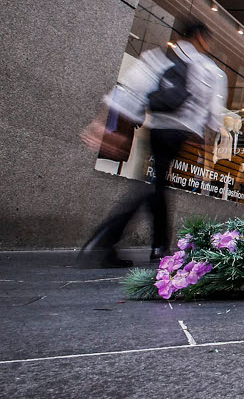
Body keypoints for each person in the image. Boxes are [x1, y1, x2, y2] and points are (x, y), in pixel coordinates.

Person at [80, 21, 227, 267]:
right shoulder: (209, 70)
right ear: (201, 38)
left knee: (159, 183)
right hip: (180, 134)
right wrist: (208, 155)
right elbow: (214, 117)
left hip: (156, 129)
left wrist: (101, 124)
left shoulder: (160, 58)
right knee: (155, 186)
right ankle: (108, 238)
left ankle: (159, 245)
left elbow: (128, 93)